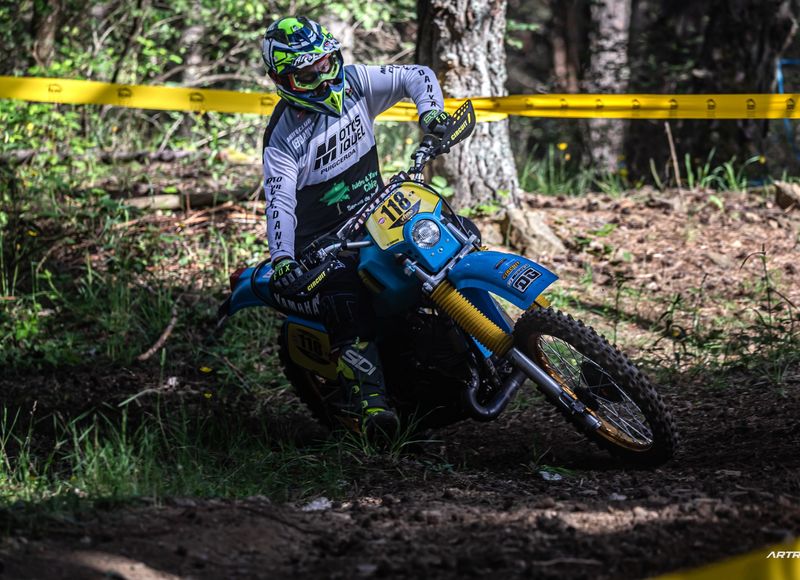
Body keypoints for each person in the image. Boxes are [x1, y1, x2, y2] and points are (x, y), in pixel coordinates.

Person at [260, 16, 452, 438]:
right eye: (306, 76)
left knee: (449, 237)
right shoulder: (282, 139)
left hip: (380, 210)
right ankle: (371, 405)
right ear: (283, 80)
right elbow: (280, 202)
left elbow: (416, 76)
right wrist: (283, 259)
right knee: (346, 297)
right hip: (327, 244)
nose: (323, 81)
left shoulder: (357, 82)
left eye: (326, 65)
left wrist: (432, 114)